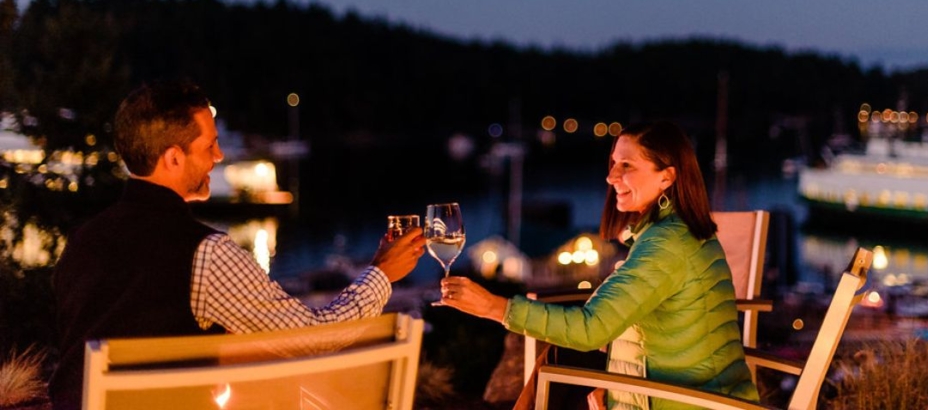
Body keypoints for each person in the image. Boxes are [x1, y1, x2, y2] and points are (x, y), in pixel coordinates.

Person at [49, 79, 426, 410]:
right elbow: (312, 338)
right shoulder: (205, 252)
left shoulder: (83, 241)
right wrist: (382, 274)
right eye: (210, 145)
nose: (219, 156)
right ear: (174, 158)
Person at [440, 120, 759, 410]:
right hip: (687, 393)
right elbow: (652, 334)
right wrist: (615, 387)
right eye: (613, 163)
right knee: (562, 356)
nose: (611, 176)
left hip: (692, 401)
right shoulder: (675, 232)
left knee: (561, 362)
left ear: (667, 176)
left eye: (626, 165)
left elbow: (593, 329)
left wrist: (492, 306)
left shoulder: (666, 243)